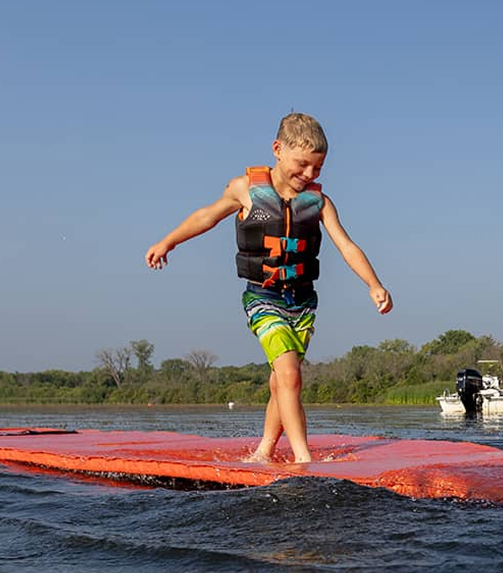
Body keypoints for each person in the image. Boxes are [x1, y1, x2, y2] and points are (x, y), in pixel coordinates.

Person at [144, 113, 393, 463]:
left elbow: (346, 246)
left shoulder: (319, 203)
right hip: (264, 297)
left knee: (281, 382)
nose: (308, 175)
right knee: (290, 375)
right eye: (302, 164)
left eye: (317, 169)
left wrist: (374, 284)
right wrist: (168, 242)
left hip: (303, 301)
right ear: (278, 149)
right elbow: (206, 216)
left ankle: (264, 450)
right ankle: (303, 458)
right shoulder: (245, 190)